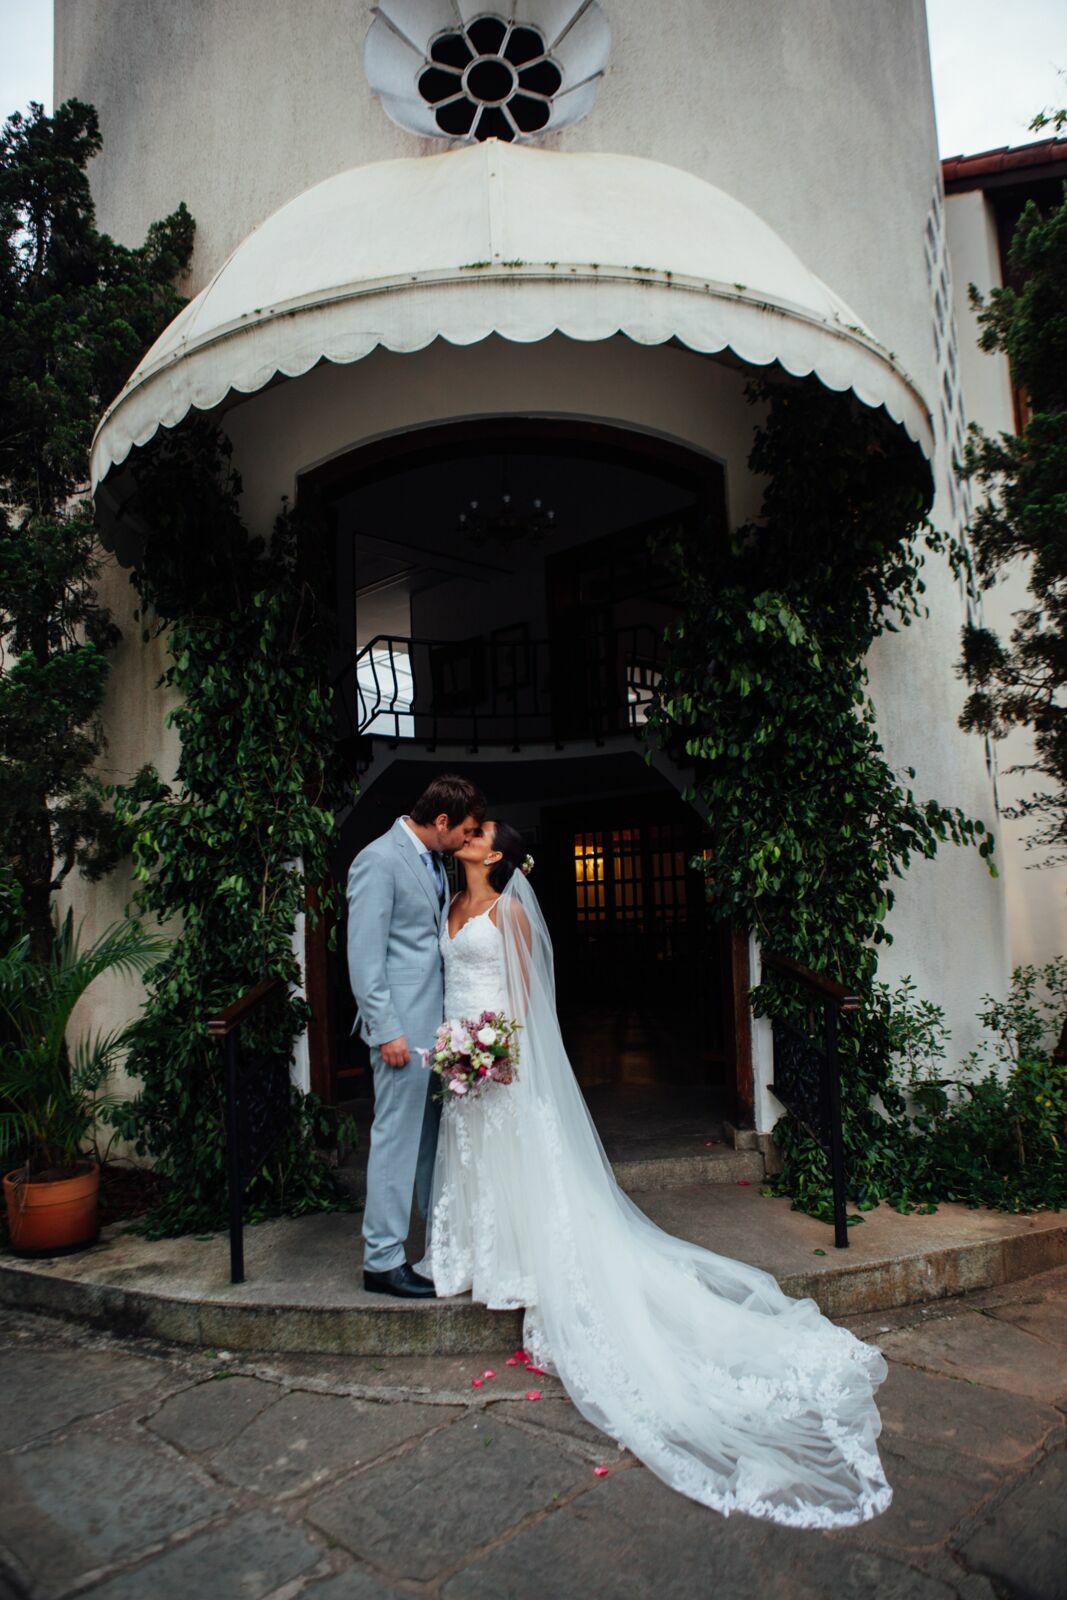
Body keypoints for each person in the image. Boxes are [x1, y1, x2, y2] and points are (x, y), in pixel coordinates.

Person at [418, 820, 894, 1529]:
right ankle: (476, 1258)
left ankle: (523, 1263)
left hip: (499, 1056)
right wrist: (455, 1048)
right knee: (470, 1156)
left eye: (478, 830)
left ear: (496, 853)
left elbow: (527, 995)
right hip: (459, 1055)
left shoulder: (508, 910)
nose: (466, 834)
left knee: (521, 1161)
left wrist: (502, 1052)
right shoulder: (450, 902)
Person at [347, 774, 485, 1298]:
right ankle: (381, 1260)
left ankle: (438, 1243)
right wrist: (386, 1030)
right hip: (401, 1034)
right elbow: (364, 958)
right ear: (442, 820)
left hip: (437, 1033)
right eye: (465, 830)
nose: (468, 839)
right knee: (395, 1142)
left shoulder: (435, 861)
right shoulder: (378, 860)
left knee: (431, 1142)